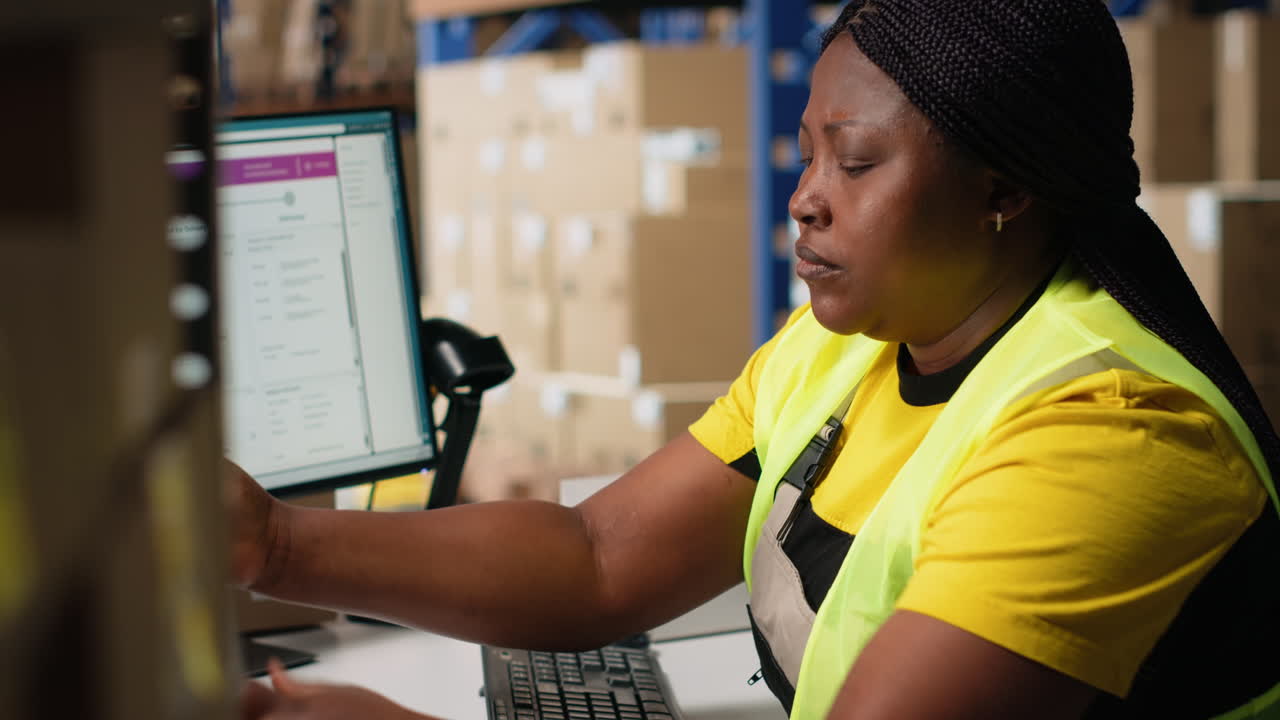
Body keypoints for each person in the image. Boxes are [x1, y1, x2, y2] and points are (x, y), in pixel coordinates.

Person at [234, 1, 1280, 718]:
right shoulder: (844, 348)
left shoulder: (1107, 433)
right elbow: (599, 556)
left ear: (1003, 191)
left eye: (855, 160)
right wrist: (269, 542)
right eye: (807, 152)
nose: (804, 196)